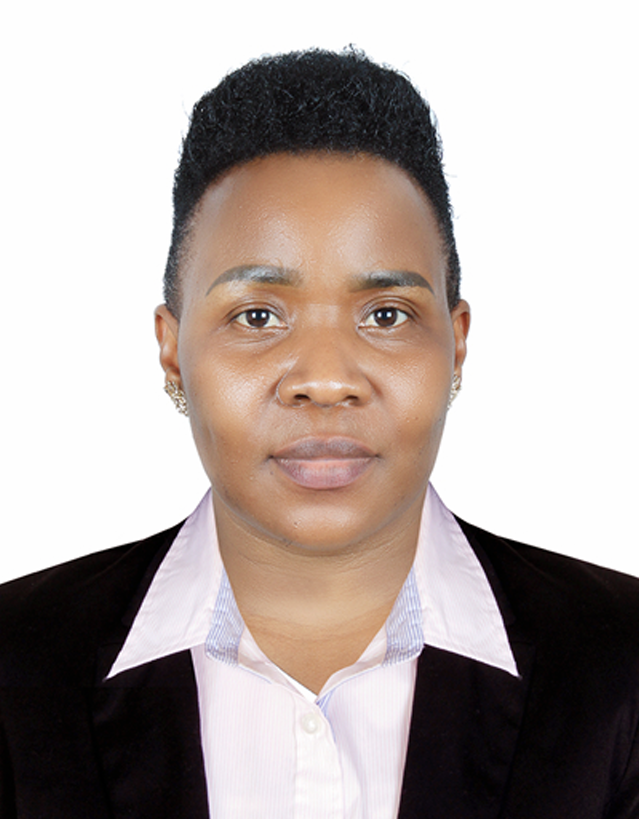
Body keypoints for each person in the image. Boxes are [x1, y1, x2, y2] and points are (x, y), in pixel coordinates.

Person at [1, 48, 638, 819]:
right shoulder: (15, 665)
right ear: (172, 350)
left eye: (385, 315)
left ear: (456, 343)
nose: (326, 379)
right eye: (257, 315)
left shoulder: (621, 665)